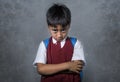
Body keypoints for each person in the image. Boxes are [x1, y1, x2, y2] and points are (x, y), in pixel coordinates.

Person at [33, 3, 85, 82]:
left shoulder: (75, 43)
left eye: (63, 30)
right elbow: (40, 69)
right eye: (55, 30)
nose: (59, 35)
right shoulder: (44, 44)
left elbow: (76, 67)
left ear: (69, 26)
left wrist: (48, 69)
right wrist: (68, 65)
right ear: (48, 27)